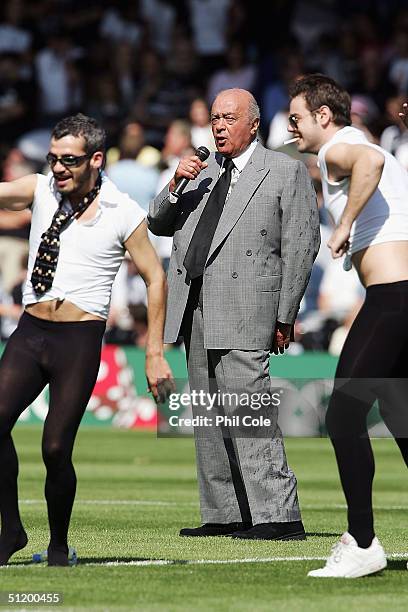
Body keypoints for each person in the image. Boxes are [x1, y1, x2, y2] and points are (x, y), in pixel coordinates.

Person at [0, 113, 173, 566]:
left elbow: (156, 279)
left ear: (96, 159)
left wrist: (154, 353)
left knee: (55, 447)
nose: (58, 168)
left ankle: (58, 547)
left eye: (69, 161)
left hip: (78, 339)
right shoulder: (41, 189)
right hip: (31, 331)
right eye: (53, 158)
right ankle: (11, 531)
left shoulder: (122, 210)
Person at [148, 88, 320, 540]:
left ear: (254, 124)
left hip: (249, 307)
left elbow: (302, 245)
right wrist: (175, 184)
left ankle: (279, 516)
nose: (218, 126)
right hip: (195, 304)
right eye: (214, 118)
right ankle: (225, 512)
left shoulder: (285, 170)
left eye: (228, 118)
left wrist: (286, 314)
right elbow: (157, 223)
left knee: (249, 412)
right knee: (208, 416)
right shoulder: (200, 173)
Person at [287, 73, 408, 578]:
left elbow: (371, 163)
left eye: (296, 118)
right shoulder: (360, 141)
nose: (291, 127)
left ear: (323, 115)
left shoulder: (338, 147)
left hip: (394, 299)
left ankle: (362, 543)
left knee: (342, 414)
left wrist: (340, 226)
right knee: (402, 420)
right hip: (399, 297)